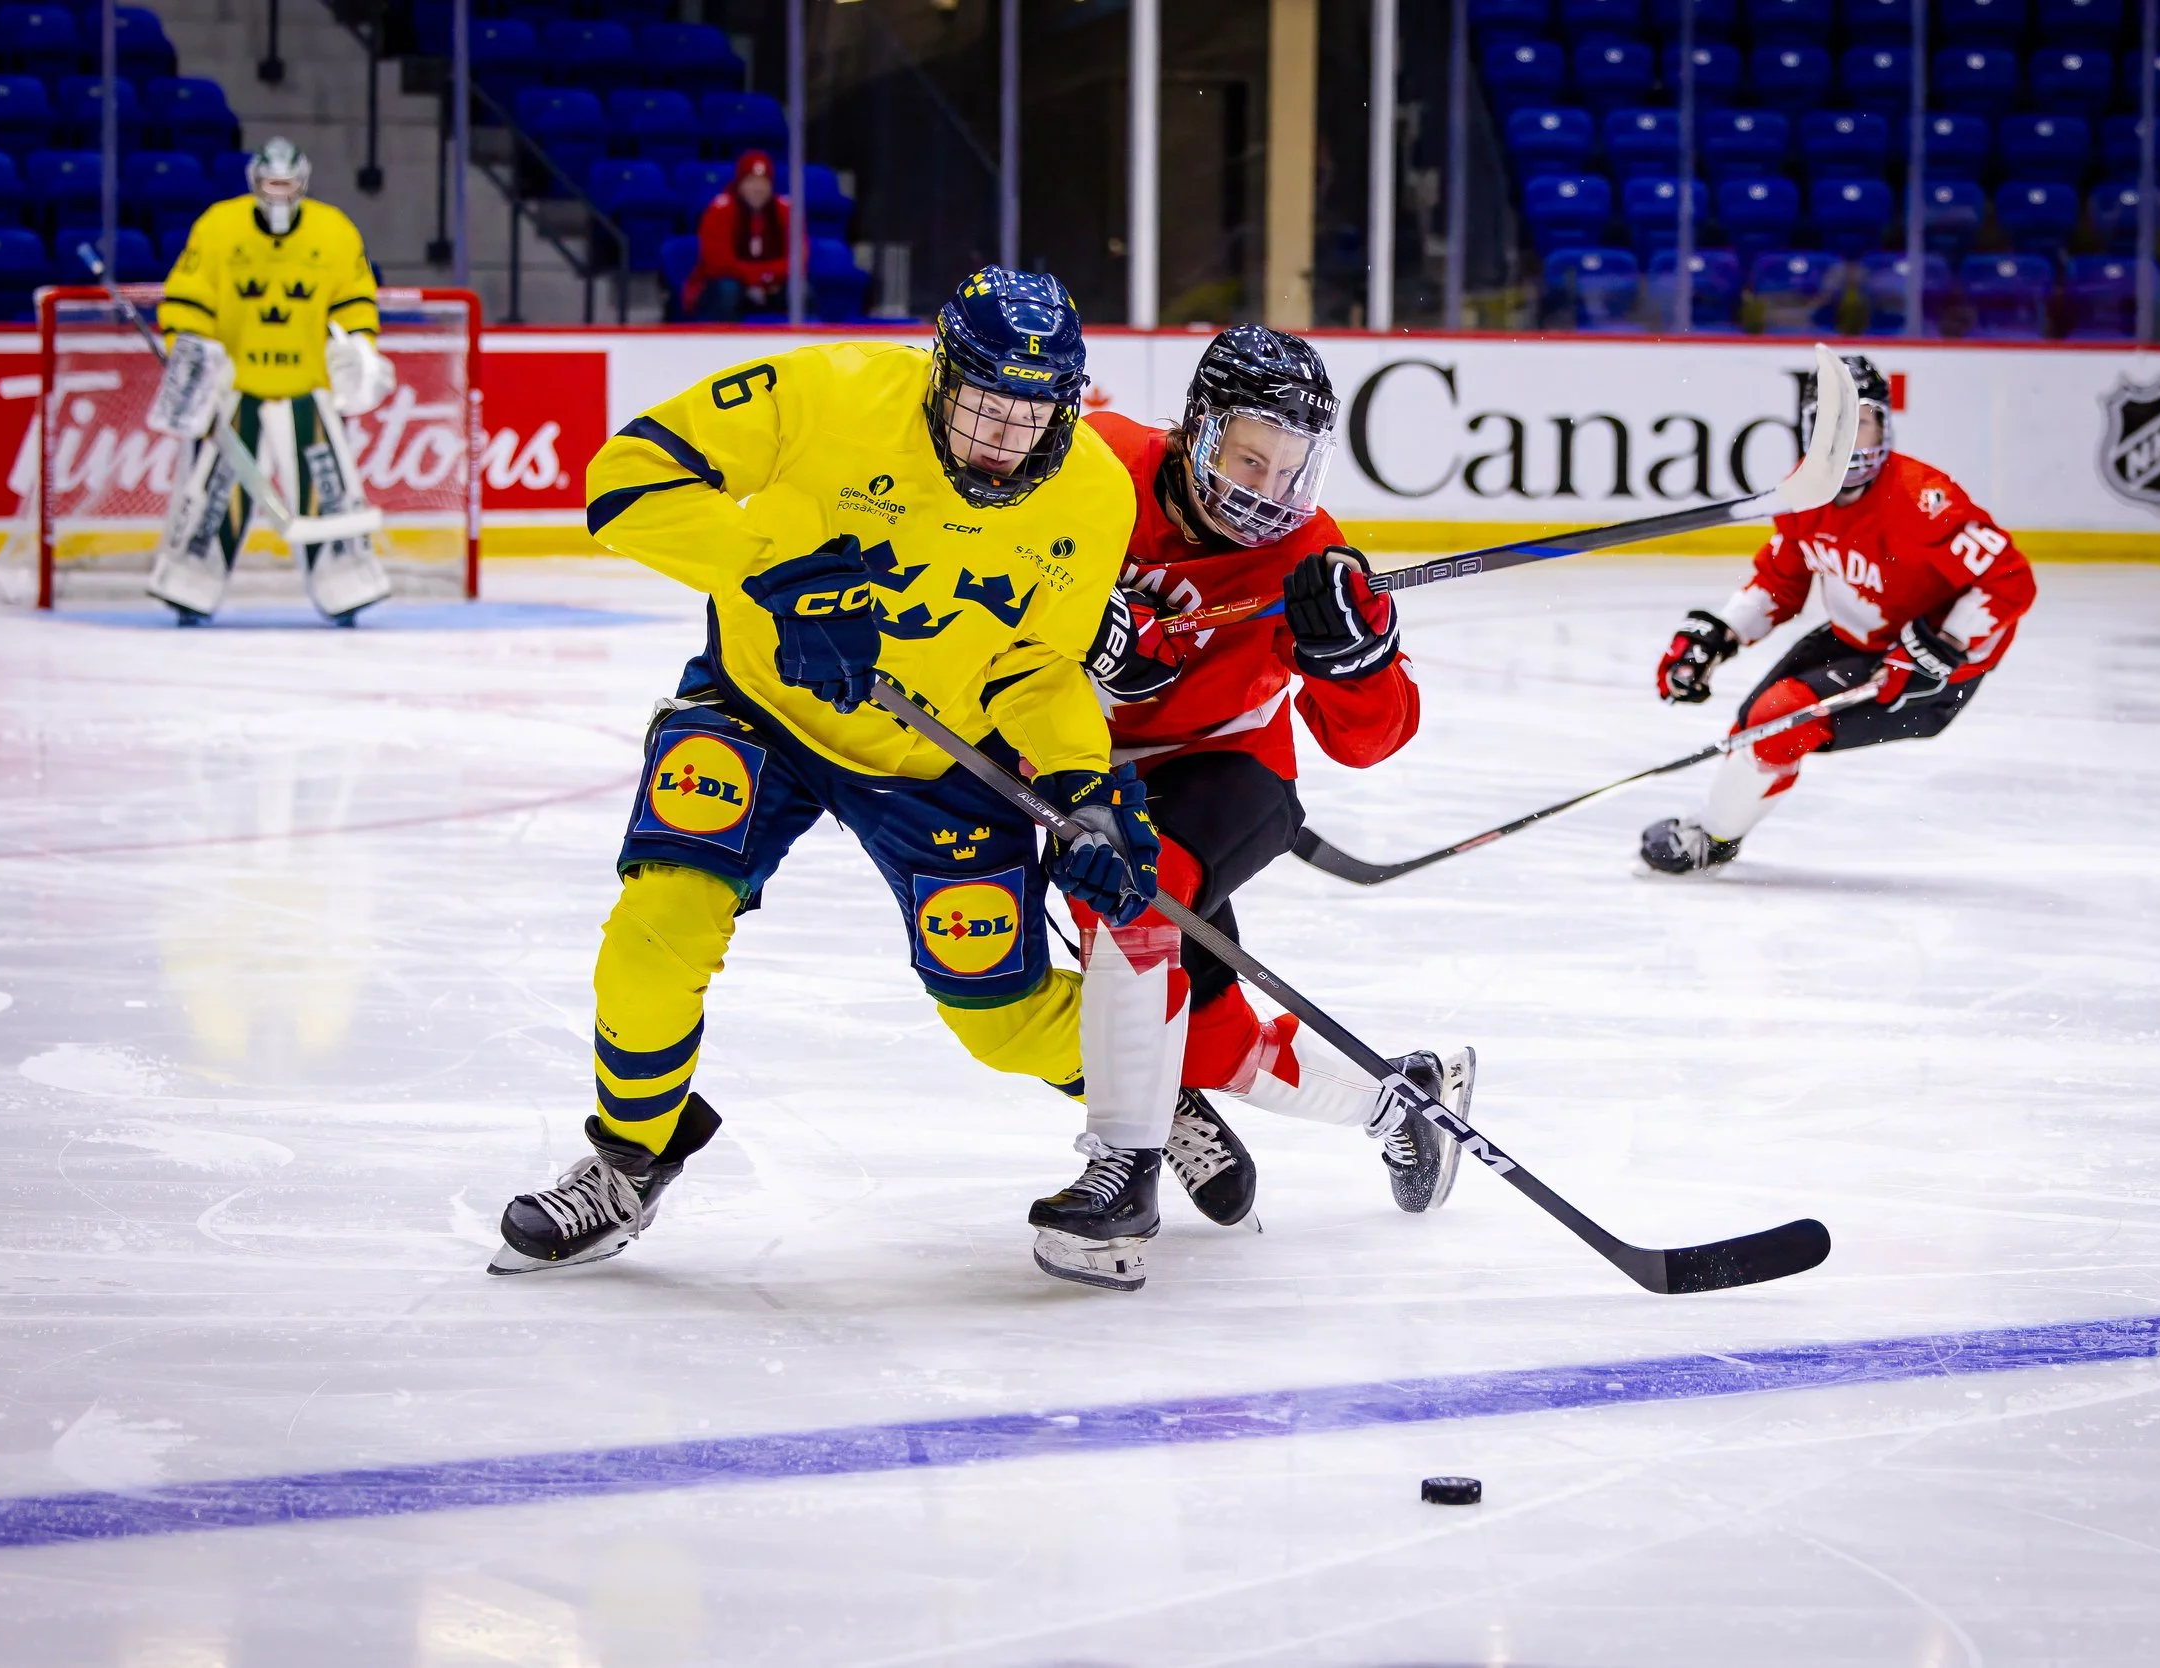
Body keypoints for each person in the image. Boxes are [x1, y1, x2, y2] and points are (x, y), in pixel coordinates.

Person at [488, 267, 1169, 1288]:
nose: (1001, 440)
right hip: (758, 704)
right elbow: (620, 480)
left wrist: (1082, 784)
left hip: (939, 754)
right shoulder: (828, 391)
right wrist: (772, 573)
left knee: (999, 1019)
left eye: (1031, 416)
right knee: (657, 927)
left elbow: (1034, 667)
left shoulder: (1092, 493)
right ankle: (631, 1157)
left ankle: (1148, 1096)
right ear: (942, 373)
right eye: (984, 404)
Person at [1073, 325, 1473, 1244]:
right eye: (1251, 461)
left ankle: (1121, 1168)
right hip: (1076, 762)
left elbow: (1373, 740)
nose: (1270, 495)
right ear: (1197, 430)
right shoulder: (1096, 471)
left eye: (1294, 473)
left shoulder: (1313, 556)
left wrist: (1358, 661)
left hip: (1224, 764)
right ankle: (1397, 1104)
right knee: (1213, 1041)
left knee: (1138, 887)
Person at [1641, 353, 2036, 872]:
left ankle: (1709, 839)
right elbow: (1782, 580)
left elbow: (2009, 581)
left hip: (1935, 668)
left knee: (1777, 721)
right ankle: (1719, 830)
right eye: (1832, 422)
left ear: (1885, 427)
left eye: (1862, 421)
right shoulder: (1805, 493)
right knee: (1756, 727)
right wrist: (1722, 633)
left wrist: (1946, 644)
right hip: (1862, 639)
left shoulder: (1923, 500)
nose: (1849, 437)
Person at [143, 138, 397, 624]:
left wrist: (358, 347)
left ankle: (345, 583)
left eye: (287, 183)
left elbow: (354, 299)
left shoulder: (335, 230)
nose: (279, 193)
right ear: (254, 181)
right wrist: (191, 353)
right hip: (236, 389)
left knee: (329, 486)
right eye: (270, 183)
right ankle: (188, 584)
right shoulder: (219, 226)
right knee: (213, 492)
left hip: (308, 386)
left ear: (303, 181)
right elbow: (188, 297)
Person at [683, 150, 799, 322]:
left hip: (772, 285)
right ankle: (725, 345)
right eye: (751, 181)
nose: (758, 188)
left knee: (800, 291)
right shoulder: (720, 211)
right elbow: (719, 264)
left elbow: (798, 260)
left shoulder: (784, 211)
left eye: (763, 181)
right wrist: (759, 278)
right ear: (740, 183)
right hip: (728, 285)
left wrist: (765, 280)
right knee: (728, 290)